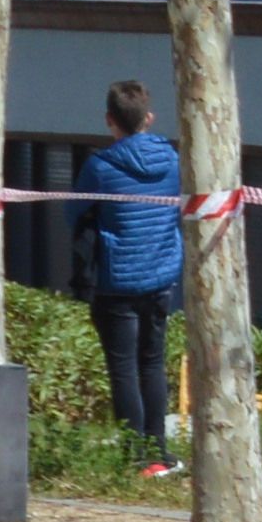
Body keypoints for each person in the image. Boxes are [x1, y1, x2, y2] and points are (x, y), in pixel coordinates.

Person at [73, 80, 183, 468]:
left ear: (109, 120)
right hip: (161, 274)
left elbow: (76, 214)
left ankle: (134, 455)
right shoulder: (172, 159)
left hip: (116, 280)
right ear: (149, 118)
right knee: (152, 362)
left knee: (123, 369)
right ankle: (159, 453)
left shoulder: (99, 166)